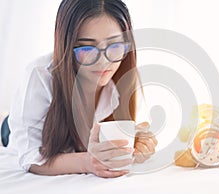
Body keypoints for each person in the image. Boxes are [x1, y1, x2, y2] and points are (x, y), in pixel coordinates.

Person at [7, 0, 157, 178]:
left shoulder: (125, 76)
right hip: (18, 127)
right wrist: (88, 162)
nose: (103, 62)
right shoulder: (40, 75)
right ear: (67, 46)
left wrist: (137, 145)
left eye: (115, 46)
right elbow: (30, 157)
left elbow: (124, 135)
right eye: (87, 48)